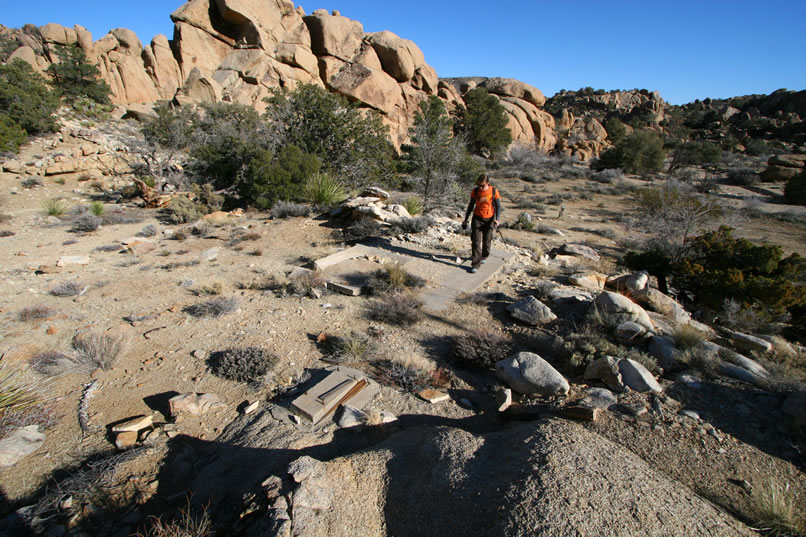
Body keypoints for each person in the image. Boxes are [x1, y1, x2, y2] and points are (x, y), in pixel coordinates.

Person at [461, 174, 501, 273]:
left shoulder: (493, 191)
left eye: (482, 185)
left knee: (487, 242)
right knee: (475, 241)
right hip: (477, 218)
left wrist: (497, 219)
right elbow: (471, 205)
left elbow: (498, 206)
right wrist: (466, 219)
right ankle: (475, 264)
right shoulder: (475, 191)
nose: (481, 187)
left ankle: (484, 256)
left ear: (488, 183)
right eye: (479, 185)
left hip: (489, 219)